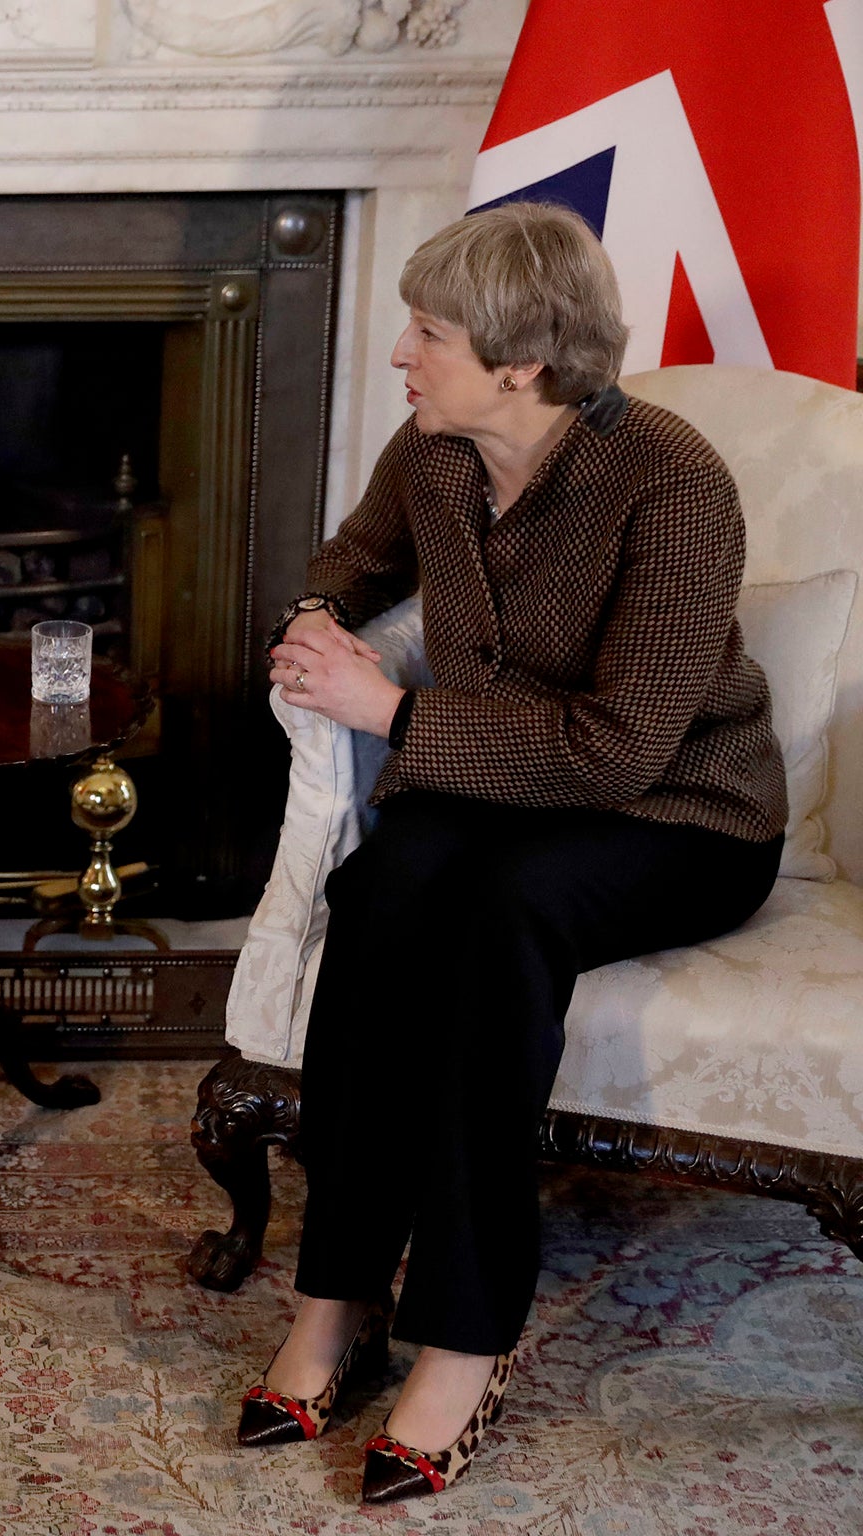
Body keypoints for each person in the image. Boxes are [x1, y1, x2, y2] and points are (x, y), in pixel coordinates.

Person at [245, 202, 785, 1504]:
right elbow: (350, 562)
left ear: (521, 364)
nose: (400, 356)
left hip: (679, 814)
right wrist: (322, 627)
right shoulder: (435, 451)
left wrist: (396, 715)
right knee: (378, 890)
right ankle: (335, 1296)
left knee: (500, 915)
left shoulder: (671, 478)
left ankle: (464, 1335)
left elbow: (618, 753)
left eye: (426, 333)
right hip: (492, 783)